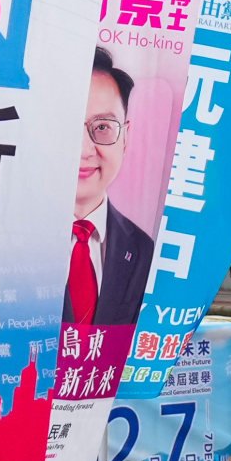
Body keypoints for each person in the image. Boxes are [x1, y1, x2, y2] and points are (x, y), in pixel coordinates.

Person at [78, 51, 160, 328]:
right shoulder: (5, 239)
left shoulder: (144, 248)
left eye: (102, 127)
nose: (83, 150)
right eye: (66, 126)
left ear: (126, 136)